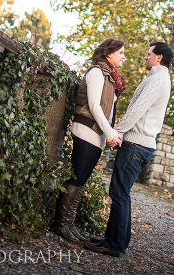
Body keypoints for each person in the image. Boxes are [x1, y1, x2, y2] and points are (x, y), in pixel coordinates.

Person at [84, 41, 173, 257]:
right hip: (140, 144)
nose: (145, 57)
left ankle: (114, 245)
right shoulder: (157, 78)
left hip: (137, 144)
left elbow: (137, 110)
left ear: (158, 57)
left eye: (149, 54)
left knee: (119, 192)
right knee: (120, 192)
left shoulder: (158, 79)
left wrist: (115, 132)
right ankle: (115, 241)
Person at [52, 38, 126, 241]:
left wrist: (109, 132)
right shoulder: (96, 72)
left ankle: (68, 222)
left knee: (81, 178)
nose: (124, 57)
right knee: (77, 177)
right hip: (86, 130)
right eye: (121, 52)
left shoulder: (110, 76)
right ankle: (61, 224)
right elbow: (94, 106)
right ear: (109, 53)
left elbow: (108, 110)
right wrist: (110, 133)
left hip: (97, 134)